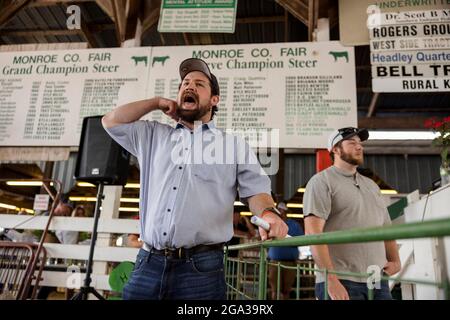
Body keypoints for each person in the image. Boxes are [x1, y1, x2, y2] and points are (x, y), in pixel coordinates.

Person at [102, 57, 288, 300]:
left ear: (214, 100)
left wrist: (268, 213)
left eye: (199, 84)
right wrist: (156, 102)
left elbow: (255, 191)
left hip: (201, 270)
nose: (189, 86)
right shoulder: (153, 135)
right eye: (185, 83)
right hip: (148, 263)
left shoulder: (232, 145)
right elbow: (111, 121)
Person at [303, 127, 401, 300]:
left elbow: (386, 228)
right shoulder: (321, 182)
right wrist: (330, 280)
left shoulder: (372, 186)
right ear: (335, 149)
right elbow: (313, 233)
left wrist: (396, 261)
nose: (359, 147)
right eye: (352, 143)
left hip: (376, 279)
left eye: (360, 143)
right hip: (341, 279)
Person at [267, 202, 304, 300]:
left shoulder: (294, 225)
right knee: (275, 290)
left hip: (290, 263)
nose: (281, 212)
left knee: (286, 290)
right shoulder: (271, 223)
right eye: (279, 209)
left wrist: (283, 239)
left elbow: (302, 240)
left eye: (283, 210)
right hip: (274, 262)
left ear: (287, 211)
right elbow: (265, 237)